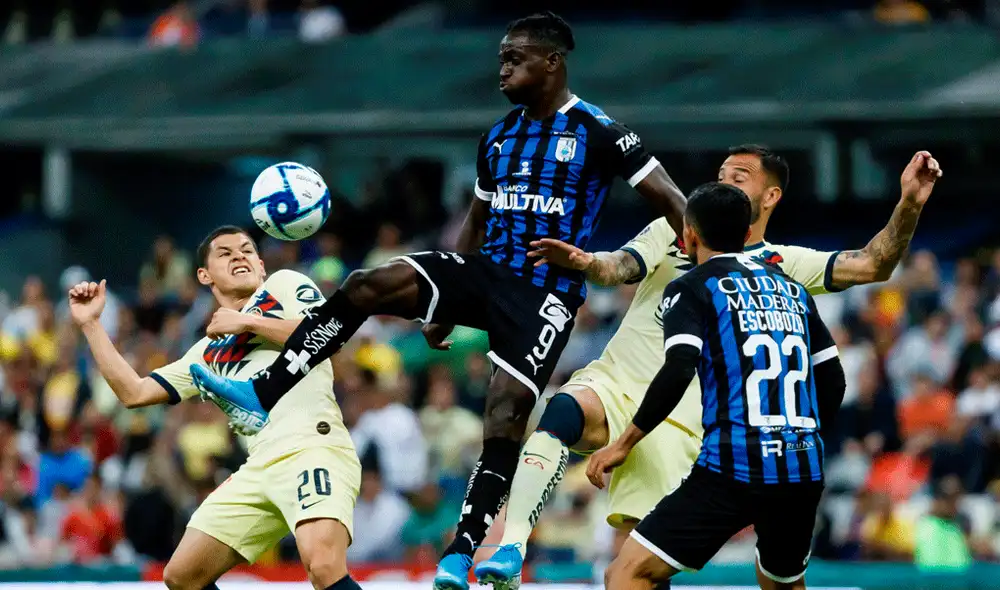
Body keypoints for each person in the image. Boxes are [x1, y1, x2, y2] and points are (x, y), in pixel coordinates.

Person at [191, 11, 686, 590]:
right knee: (362, 286)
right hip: (484, 271)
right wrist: (442, 306)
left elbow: (675, 202)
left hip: (544, 295)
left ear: (552, 62)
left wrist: (705, 266)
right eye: (500, 57)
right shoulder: (498, 136)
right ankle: (263, 390)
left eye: (514, 58)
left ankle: (461, 554)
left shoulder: (601, 132)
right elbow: (476, 218)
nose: (501, 69)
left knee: (503, 420)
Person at [476, 147, 942, 588]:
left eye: (738, 177)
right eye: (720, 176)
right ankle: (512, 544)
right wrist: (587, 261)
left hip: (689, 429)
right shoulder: (692, 238)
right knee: (562, 415)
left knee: (630, 566)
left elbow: (872, 264)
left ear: (771, 196)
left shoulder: (769, 268)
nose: (724, 182)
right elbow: (617, 267)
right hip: (641, 394)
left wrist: (908, 205)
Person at [69, 226, 362, 590]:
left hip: (313, 447)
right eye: (225, 253)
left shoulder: (284, 285)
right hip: (257, 465)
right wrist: (91, 325)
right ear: (204, 275)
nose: (239, 255)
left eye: (246, 250)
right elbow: (135, 392)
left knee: (322, 566)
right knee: (182, 576)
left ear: (260, 264)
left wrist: (248, 321)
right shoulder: (205, 353)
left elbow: (329, 335)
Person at [589, 181, 847, 589]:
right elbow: (832, 377)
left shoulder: (692, 287)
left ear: (688, 233)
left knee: (627, 573)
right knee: (782, 583)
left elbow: (678, 368)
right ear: (747, 235)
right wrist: (801, 439)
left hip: (733, 465)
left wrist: (623, 443)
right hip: (801, 466)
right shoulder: (792, 289)